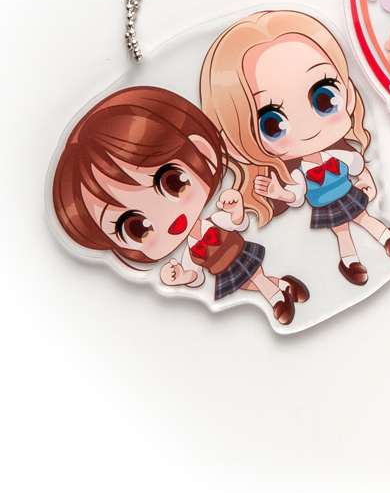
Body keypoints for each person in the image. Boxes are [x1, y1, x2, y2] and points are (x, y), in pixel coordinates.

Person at [52, 86, 307, 324]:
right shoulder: (190, 253)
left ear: (204, 153)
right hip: (222, 270)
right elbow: (195, 276)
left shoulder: (213, 222)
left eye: (173, 182)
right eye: (136, 228)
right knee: (246, 282)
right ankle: (283, 286)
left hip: (238, 252)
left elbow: (238, 223)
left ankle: (276, 298)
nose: (168, 218)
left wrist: (235, 208)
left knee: (255, 276)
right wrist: (180, 278)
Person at [200, 10, 390, 287]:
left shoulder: (338, 154)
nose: (308, 129)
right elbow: (295, 196)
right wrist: (278, 192)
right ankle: (350, 262)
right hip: (326, 204)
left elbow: (357, 164)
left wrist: (365, 179)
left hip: (347, 194)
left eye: (325, 97)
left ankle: (387, 237)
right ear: (236, 145)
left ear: (348, 93)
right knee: (341, 230)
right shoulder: (297, 173)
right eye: (272, 124)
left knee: (364, 217)